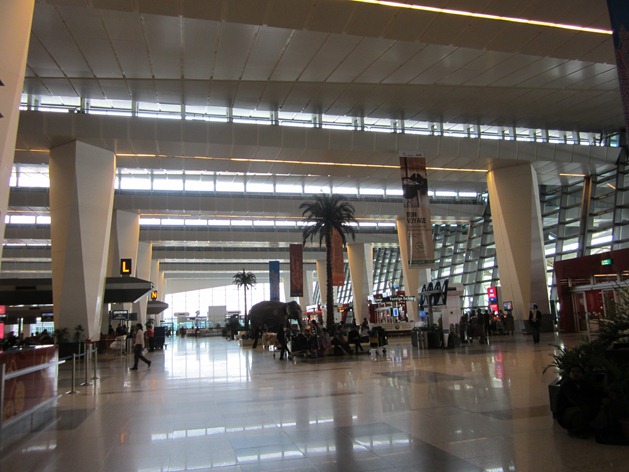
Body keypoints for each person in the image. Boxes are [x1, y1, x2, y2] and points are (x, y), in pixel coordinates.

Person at [556, 365, 602, 438]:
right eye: (573, 371)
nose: (575, 373)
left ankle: (585, 428)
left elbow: (594, 392)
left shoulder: (583, 383)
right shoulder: (566, 384)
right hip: (565, 412)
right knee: (582, 409)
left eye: (578, 371)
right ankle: (574, 431)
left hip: (575, 407)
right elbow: (575, 401)